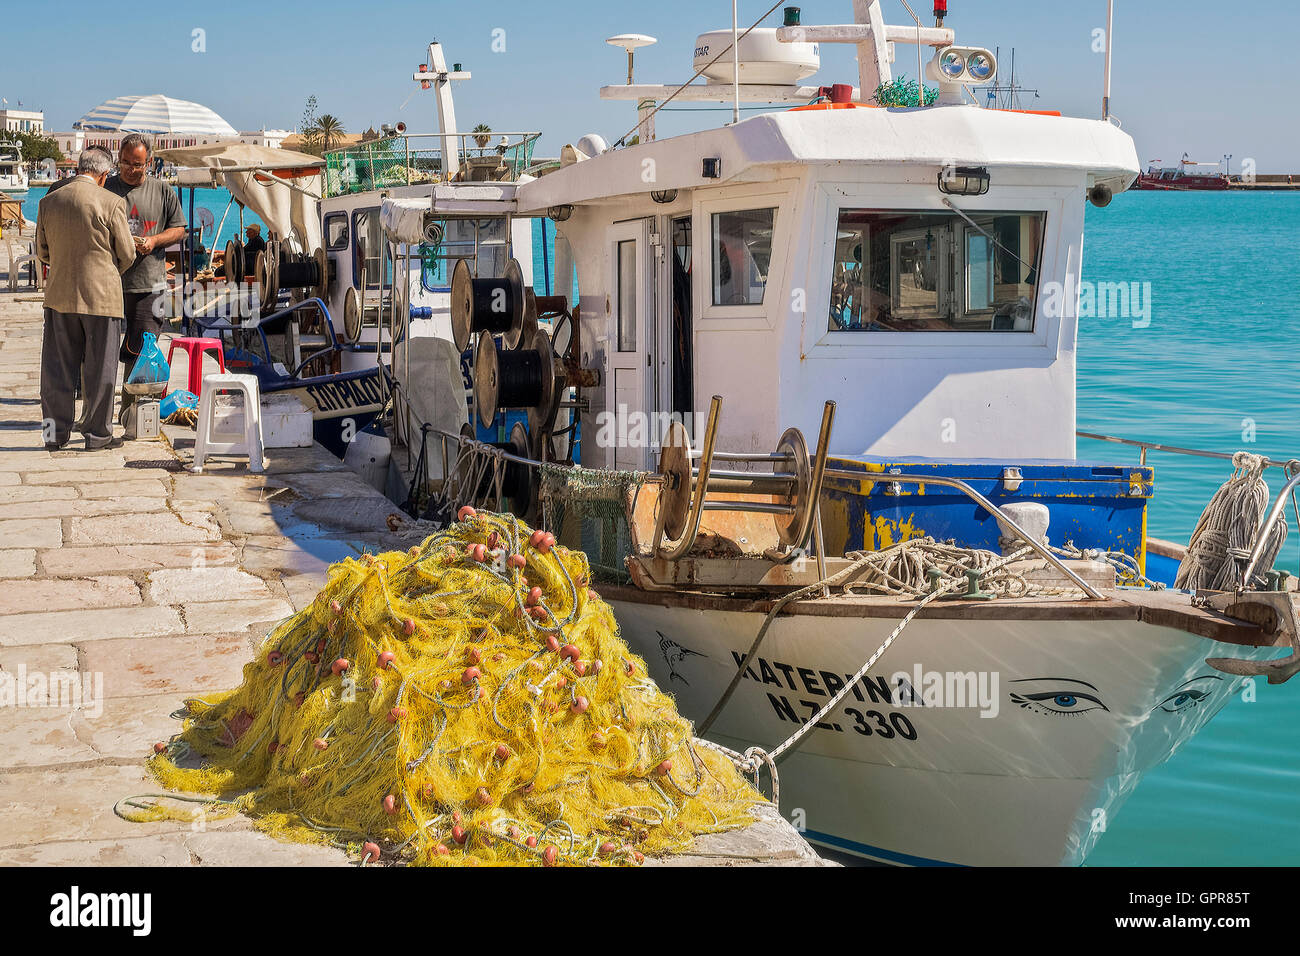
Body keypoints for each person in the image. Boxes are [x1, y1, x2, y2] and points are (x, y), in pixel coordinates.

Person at [35, 148, 136, 450]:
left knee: (56, 370)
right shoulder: (112, 202)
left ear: (79, 168)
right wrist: (109, 270)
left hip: (59, 295)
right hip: (102, 297)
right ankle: (97, 435)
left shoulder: (48, 202)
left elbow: (42, 252)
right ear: (104, 175)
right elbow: (128, 253)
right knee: (100, 371)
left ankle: (53, 435)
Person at [105, 133, 187, 423]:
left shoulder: (163, 192)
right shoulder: (107, 187)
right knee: (101, 347)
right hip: (109, 281)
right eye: (125, 162)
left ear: (149, 163)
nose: (129, 169)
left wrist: (153, 242)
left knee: (140, 349)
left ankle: (130, 412)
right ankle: (98, 410)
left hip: (149, 283)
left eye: (137, 164)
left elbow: (179, 229)